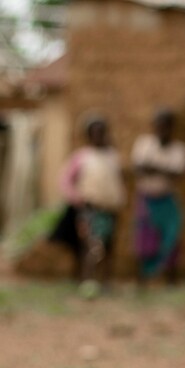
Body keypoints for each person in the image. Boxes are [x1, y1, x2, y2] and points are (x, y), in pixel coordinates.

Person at [53, 116, 126, 297]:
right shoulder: (82, 157)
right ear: (88, 135)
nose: (99, 136)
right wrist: (77, 198)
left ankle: (106, 282)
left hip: (110, 209)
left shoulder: (113, 156)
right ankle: (87, 281)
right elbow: (64, 181)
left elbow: (119, 180)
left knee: (109, 247)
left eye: (102, 132)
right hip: (90, 209)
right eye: (95, 132)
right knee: (92, 246)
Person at [131, 108, 185, 286]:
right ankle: (142, 281)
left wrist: (154, 168)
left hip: (167, 199)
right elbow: (139, 168)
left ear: (172, 127)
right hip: (146, 199)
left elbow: (178, 173)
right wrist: (164, 170)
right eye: (158, 125)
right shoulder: (145, 143)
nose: (161, 129)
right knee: (144, 240)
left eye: (165, 126)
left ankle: (171, 280)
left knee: (171, 238)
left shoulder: (180, 148)